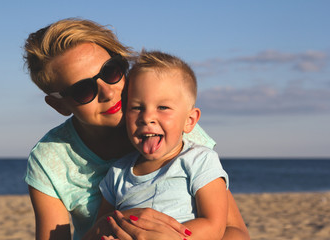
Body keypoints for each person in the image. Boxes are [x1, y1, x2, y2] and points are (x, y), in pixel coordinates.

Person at [23, 18, 249, 240]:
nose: (108, 93)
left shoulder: (171, 129)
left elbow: (234, 231)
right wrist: (102, 229)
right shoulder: (50, 159)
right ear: (60, 105)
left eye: (110, 72)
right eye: (83, 90)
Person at [97, 50, 228, 240]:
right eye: (137, 107)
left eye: (163, 107)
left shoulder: (199, 160)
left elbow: (214, 225)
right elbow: (103, 224)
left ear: (189, 120)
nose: (147, 117)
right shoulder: (117, 172)